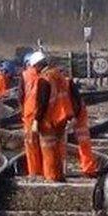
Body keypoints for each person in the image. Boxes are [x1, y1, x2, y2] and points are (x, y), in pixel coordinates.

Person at [30, 52, 74, 182]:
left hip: (49, 120)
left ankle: (51, 177)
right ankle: (59, 175)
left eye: (34, 67)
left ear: (38, 65)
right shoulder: (58, 75)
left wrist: (36, 121)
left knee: (48, 149)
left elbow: (42, 102)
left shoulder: (44, 79)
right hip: (62, 116)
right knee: (58, 149)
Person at [68, 78, 98, 177]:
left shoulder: (63, 83)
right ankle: (88, 168)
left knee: (83, 142)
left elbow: (75, 102)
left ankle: (89, 168)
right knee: (84, 142)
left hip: (77, 114)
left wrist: (74, 117)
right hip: (75, 113)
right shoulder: (64, 82)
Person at [19, 52, 42, 177]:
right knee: (43, 143)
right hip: (42, 114)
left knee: (31, 145)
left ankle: (34, 171)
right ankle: (45, 170)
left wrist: (23, 112)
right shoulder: (44, 74)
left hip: (29, 114)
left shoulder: (24, 75)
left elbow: (20, 97)